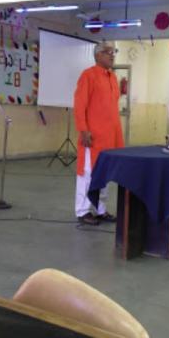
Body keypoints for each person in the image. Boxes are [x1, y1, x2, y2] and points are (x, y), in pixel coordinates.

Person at [73, 42, 124, 225]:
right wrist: (83, 129)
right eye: (108, 52)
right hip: (92, 137)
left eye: (113, 51)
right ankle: (83, 210)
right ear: (97, 55)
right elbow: (80, 105)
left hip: (110, 138)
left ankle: (100, 209)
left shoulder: (113, 77)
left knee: (105, 175)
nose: (112, 55)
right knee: (88, 174)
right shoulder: (88, 75)